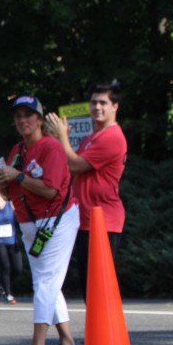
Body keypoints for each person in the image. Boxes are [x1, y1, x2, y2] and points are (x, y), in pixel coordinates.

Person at [0, 95, 81, 345]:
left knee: (44, 283)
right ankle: (67, 344)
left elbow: (51, 190)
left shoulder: (51, 147)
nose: (23, 120)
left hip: (56, 221)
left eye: (28, 115)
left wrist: (18, 175)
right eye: (18, 116)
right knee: (49, 282)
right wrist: (3, 182)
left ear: (40, 119)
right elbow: (8, 194)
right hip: (31, 225)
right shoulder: (17, 150)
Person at [45, 80, 127, 300]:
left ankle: (106, 325)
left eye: (103, 103)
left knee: (99, 286)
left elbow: (75, 165)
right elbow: (68, 166)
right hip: (85, 218)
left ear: (115, 106)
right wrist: (57, 140)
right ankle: (94, 324)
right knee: (89, 285)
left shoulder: (112, 136)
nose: (97, 107)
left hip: (103, 220)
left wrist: (63, 137)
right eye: (93, 102)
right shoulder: (91, 137)